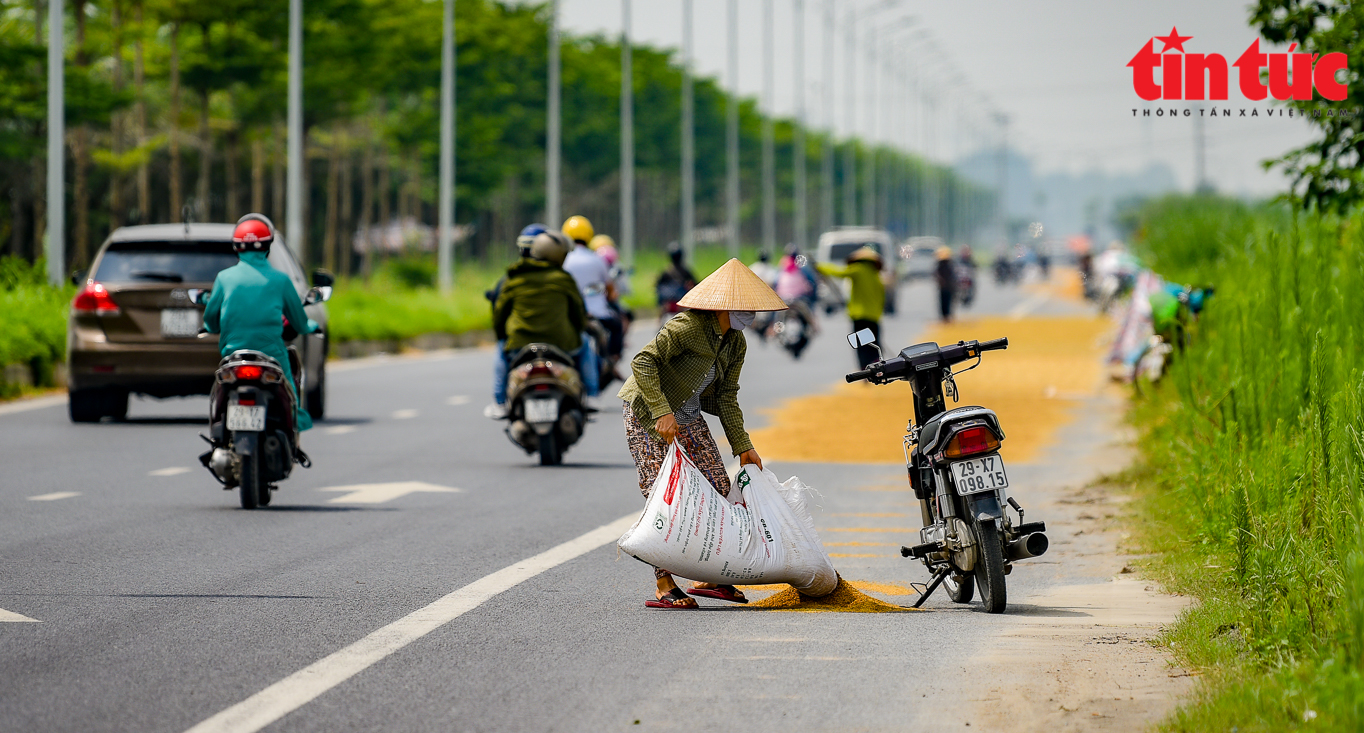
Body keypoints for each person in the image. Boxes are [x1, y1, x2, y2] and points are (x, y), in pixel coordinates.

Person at [618, 258, 788, 609]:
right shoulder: (687, 327)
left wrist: (744, 446)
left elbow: (726, 395)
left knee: (718, 487)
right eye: (745, 307)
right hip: (649, 414)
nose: (751, 314)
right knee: (664, 496)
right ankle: (664, 583)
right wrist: (662, 411)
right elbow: (643, 362)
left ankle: (709, 576)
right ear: (724, 305)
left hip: (689, 415)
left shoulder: (735, 342)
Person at [202, 214, 319, 435]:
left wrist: (210, 328)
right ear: (267, 246)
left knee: (219, 389)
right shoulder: (281, 280)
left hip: (233, 354)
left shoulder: (224, 278)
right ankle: (295, 422)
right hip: (271, 354)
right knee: (289, 389)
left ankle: (217, 436)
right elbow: (299, 322)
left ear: (237, 247)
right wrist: (310, 326)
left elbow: (211, 319)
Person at [487, 231, 598, 419]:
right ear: (558, 255)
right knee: (585, 343)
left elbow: (499, 314)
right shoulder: (563, 279)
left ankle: (499, 402)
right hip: (563, 345)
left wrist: (502, 337)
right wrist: (579, 328)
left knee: (500, 349)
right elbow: (579, 314)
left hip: (519, 346)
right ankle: (592, 396)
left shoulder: (514, 278)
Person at [561, 216, 624, 364]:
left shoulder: (563, 260)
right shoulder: (597, 259)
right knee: (617, 324)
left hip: (570, 315)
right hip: (599, 315)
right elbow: (610, 290)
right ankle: (613, 360)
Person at [817, 247, 885, 369]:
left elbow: (839, 272)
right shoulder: (876, 276)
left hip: (859, 316)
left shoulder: (857, 270)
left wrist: (820, 266)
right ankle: (878, 367)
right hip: (874, 316)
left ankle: (865, 369)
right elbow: (881, 298)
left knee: (861, 345)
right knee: (874, 344)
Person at [655, 242, 697, 323]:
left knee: (662, 309)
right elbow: (695, 283)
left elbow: (658, 285)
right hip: (680, 301)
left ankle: (659, 320)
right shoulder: (685, 271)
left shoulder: (666, 271)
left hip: (667, 302)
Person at [934, 246, 957, 323]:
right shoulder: (940, 265)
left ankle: (946, 316)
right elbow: (936, 275)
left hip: (948, 287)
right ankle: (945, 316)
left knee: (947, 302)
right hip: (944, 287)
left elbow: (953, 276)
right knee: (944, 302)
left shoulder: (949, 265)